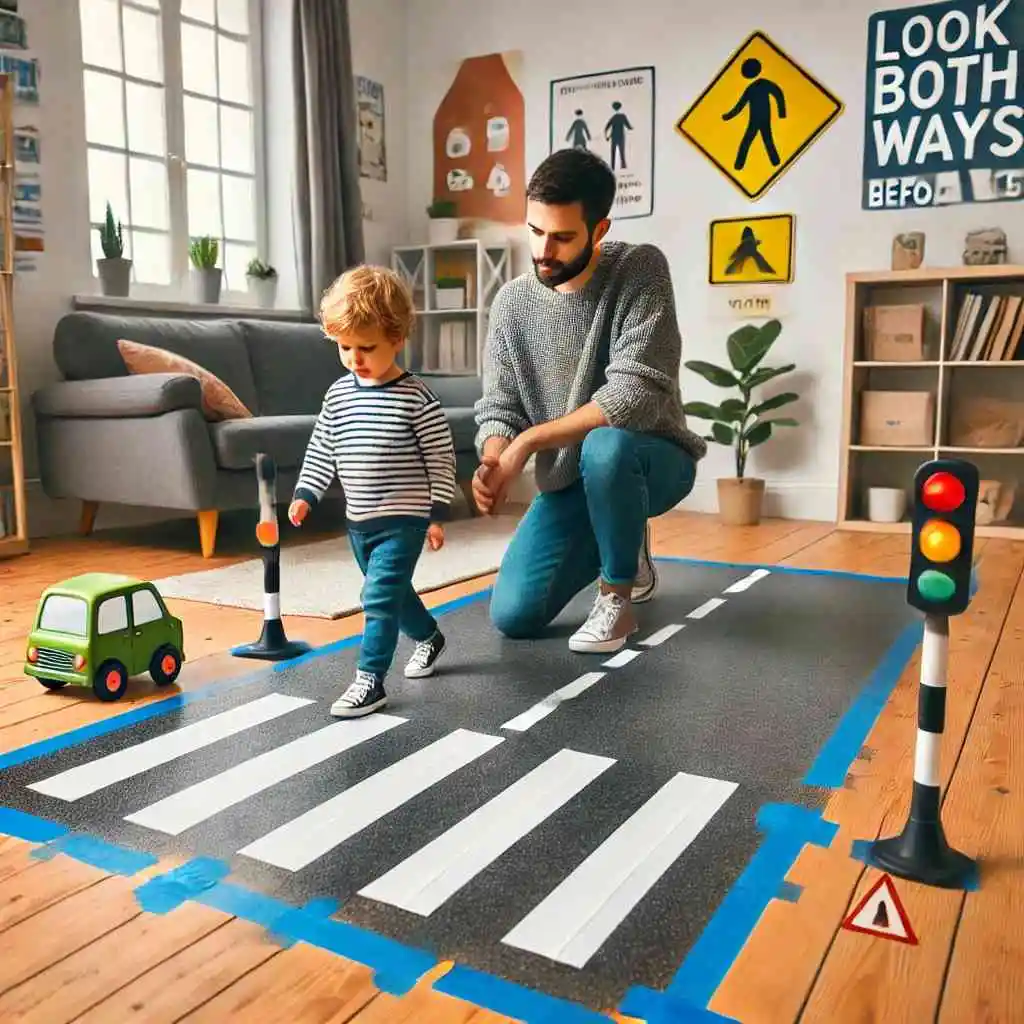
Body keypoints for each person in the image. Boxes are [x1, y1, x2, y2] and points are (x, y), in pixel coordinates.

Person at [472, 147, 706, 653]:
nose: (543, 251)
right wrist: (495, 456)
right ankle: (623, 541)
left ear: (599, 231)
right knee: (514, 615)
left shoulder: (640, 269)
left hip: (651, 459)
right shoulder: (513, 304)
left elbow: (633, 396)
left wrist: (527, 444)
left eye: (561, 237)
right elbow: (500, 403)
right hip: (570, 480)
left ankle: (617, 594)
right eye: (535, 231)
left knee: (607, 445)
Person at [290, 265, 456, 717]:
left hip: (403, 522)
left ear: (397, 338)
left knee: (378, 597)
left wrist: (437, 514)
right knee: (394, 593)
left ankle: (370, 680)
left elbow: (440, 460)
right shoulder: (338, 395)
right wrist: (307, 492)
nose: (355, 358)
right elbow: (323, 445)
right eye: (345, 347)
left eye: (367, 347)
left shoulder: (416, 399)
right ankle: (429, 636)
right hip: (358, 523)